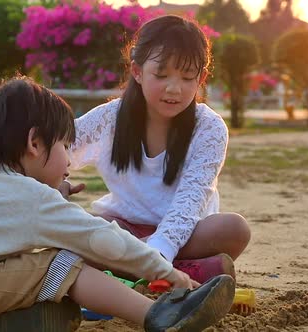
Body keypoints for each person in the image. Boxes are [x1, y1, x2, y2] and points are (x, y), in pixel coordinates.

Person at [0, 77, 236, 332]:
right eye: (66, 146)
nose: (70, 158)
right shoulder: (31, 198)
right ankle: (157, 315)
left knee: (45, 298)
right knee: (63, 263)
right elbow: (101, 239)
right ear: (35, 143)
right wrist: (166, 273)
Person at [64, 15, 251, 284]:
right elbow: (58, 149)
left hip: (187, 234)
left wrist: (155, 252)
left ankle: (132, 270)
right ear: (137, 72)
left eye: (187, 77)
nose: (174, 89)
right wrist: (57, 183)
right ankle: (188, 273)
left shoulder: (209, 128)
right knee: (77, 232)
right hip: (122, 228)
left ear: (201, 78)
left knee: (234, 228)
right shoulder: (109, 119)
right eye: (161, 75)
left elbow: (190, 203)